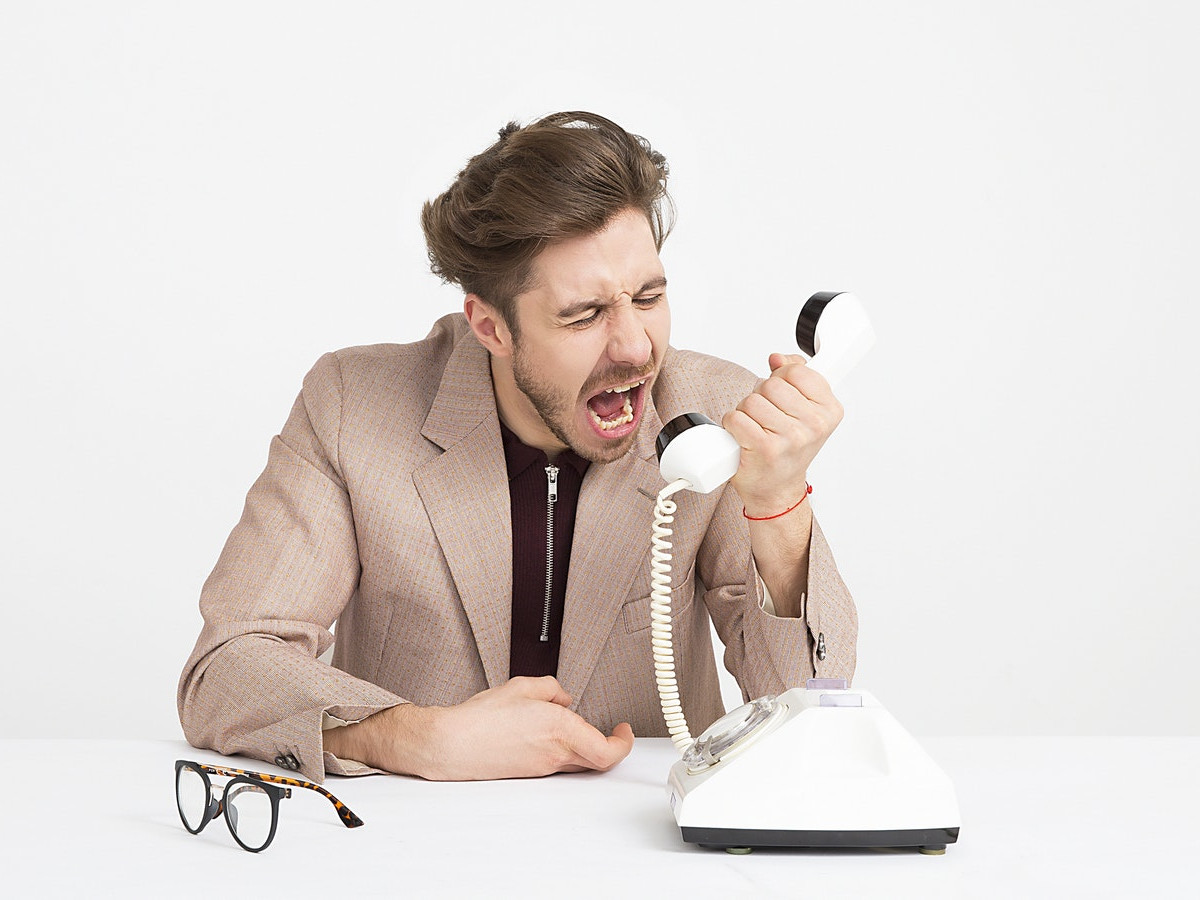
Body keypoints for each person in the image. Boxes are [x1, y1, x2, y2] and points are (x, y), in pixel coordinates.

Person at [178, 111, 857, 784]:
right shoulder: (352, 405)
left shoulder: (711, 412)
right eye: (584, 314)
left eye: (648, 297)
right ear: (490, 326)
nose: (635, 347)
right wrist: (412, 737)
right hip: (410, 848)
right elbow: (228, 667)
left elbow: (810, 704)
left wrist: (777, 506)